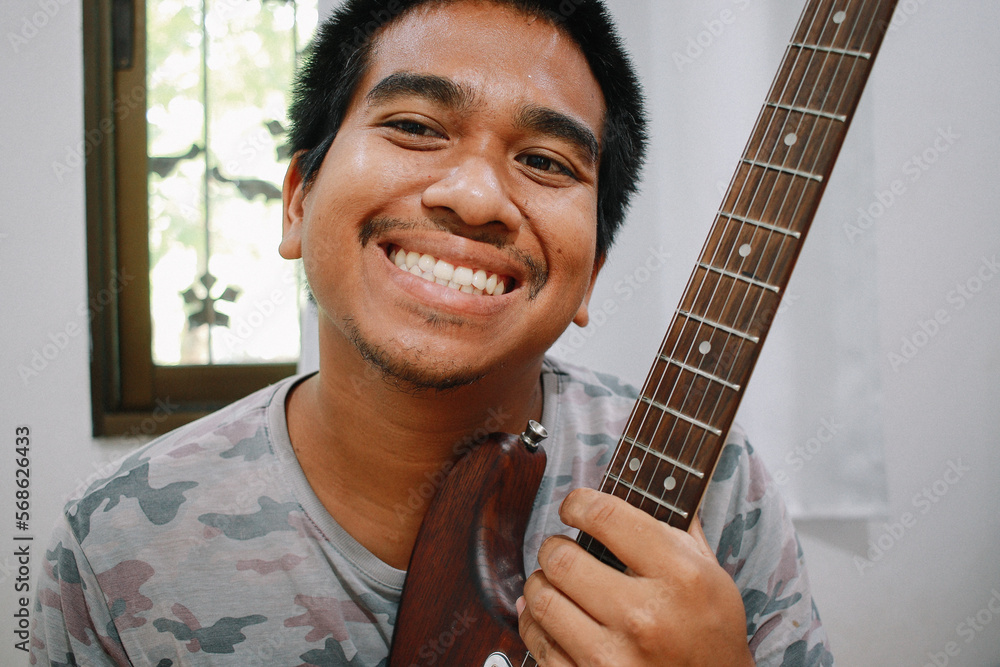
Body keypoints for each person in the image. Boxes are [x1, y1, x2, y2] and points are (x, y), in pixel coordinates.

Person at [32, 0, 833, 665]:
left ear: (591, 275)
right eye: (416, 125)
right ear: (297, 200)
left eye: (548, 162)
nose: (477, 195)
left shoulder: (715, 490)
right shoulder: (113, 541)